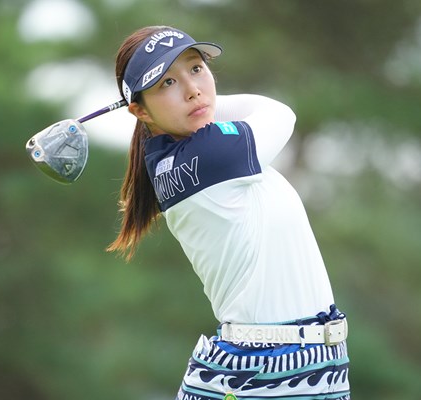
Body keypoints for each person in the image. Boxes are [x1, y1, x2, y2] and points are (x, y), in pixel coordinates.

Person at [107, 25, 350, 400]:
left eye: (196, 69)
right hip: (265, 374)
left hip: (295, 366)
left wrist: (182, 101)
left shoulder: (173, 157)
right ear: (138, 110)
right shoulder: (213, 155)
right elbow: (279, 112)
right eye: (167, 83)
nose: (192, 88)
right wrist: (204, 101)